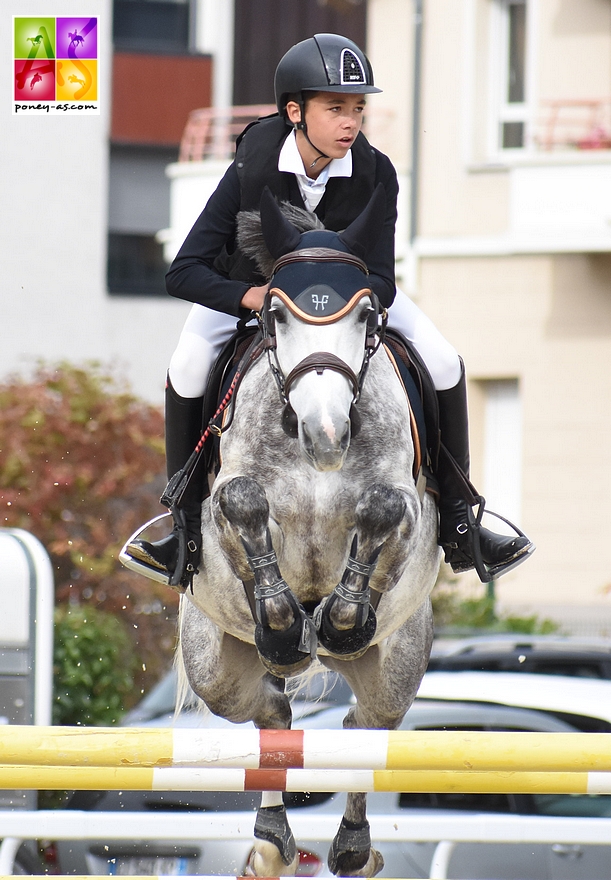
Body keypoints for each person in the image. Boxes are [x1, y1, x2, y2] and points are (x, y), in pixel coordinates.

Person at [123, 33, 533, 590]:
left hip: (344, 299)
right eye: (335, 108)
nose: (351, 122)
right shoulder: (252, 163)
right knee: (189, 366)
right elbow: (184, 270)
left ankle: (461, 519)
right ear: (295, 111)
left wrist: (342, 307)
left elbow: (383, 280)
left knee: (443, 361)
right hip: (251, 290)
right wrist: (257, 300)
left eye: (358, 108)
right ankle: (183, 527)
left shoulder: (375, 174)